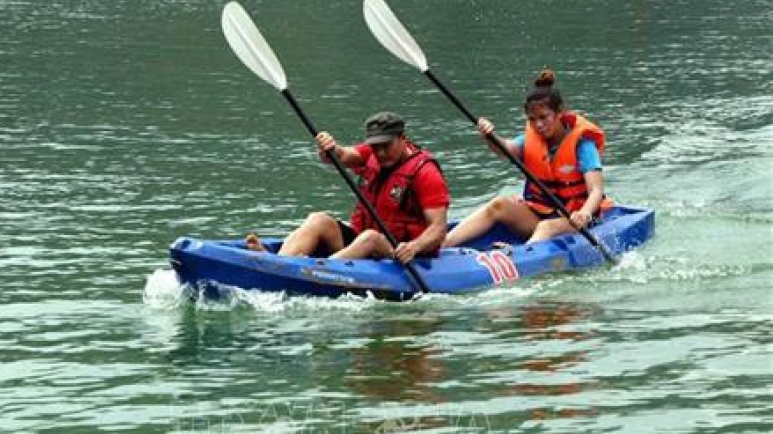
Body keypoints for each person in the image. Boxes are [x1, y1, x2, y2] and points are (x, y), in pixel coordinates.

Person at [246, 111, 450, 263]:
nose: (380, 153)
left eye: (386, 146)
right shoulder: (371, 154)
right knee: (319, 219)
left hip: (400, 252)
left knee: (370, 238)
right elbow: (342, 156)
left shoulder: (425, 172)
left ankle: (321, 269)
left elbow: (438, 228)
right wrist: (331, 148)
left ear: (402, 138)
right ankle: (279, 262)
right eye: (375, 146)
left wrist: (413, 247)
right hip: (362, 242)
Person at [443, 68, 612, 248]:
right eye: (532, 119)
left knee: (546, 227)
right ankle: (442, 245)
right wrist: (490, 135)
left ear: (560, 112)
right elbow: (504, 150)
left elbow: (595, 191)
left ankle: (519, 256)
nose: (538, 124)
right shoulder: (530, 140)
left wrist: (584, 213)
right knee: (499, 204)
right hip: (541, 213)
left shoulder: (583, 145)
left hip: (577, 220)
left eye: (544, 117)